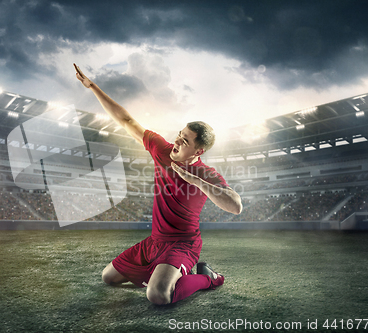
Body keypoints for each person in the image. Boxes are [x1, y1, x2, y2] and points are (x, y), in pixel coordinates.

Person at [74, 63, 242, 305]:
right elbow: (126, 120)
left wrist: (196, 181)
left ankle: (208, 278)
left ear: (199, 150)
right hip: (154, 241)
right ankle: (161, 273)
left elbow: (235, 206)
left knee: (158, 295)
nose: (177, 140)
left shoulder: (206, 173)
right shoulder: (161, 149)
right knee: (108, 277)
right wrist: (93, 87)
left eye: (185, 141)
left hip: (183, 244)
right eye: (179, 134)